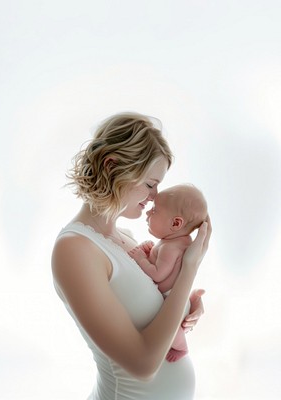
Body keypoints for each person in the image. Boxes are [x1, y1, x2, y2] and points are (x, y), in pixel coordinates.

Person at [51, 112, 211, 400]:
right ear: (112, 167)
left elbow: (154, 318)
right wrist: (190, 269)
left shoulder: (127, 239)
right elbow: (143, 365)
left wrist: (189, 305)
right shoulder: (75, 250)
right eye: (150, 184)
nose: (155, 196)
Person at [128, 184, 208, 363]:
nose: (148, 213)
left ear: (175, 223)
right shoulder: (174, 243)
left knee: (174, 330)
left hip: (172, 300)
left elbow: (157, 275)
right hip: (174, 296)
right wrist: (149, 254)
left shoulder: (170, 247)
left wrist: (142, 258)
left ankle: (181, 347)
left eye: (154, 211)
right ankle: (194, 298)